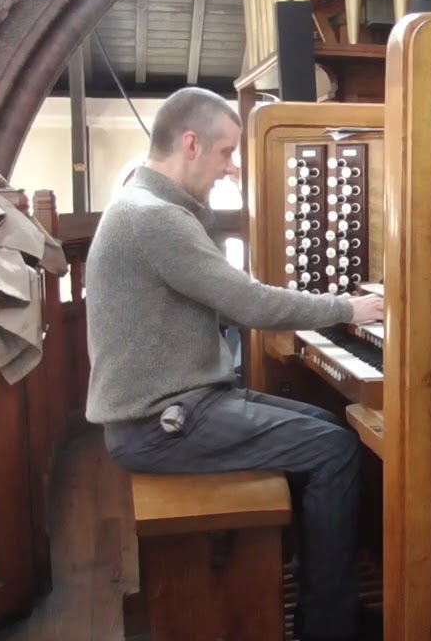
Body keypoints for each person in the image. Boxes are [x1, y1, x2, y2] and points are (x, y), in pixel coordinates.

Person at [84, 87, 384, 641]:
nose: (230, 170)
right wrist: (350, 308)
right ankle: (329, 626)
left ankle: (322, 595)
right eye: (226, 154)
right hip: (162, 423)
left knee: (326, 426)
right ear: (190, 143)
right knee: (338, 450)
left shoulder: (143, 205)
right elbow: (247, 302)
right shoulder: (156, 219)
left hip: (175, 406)